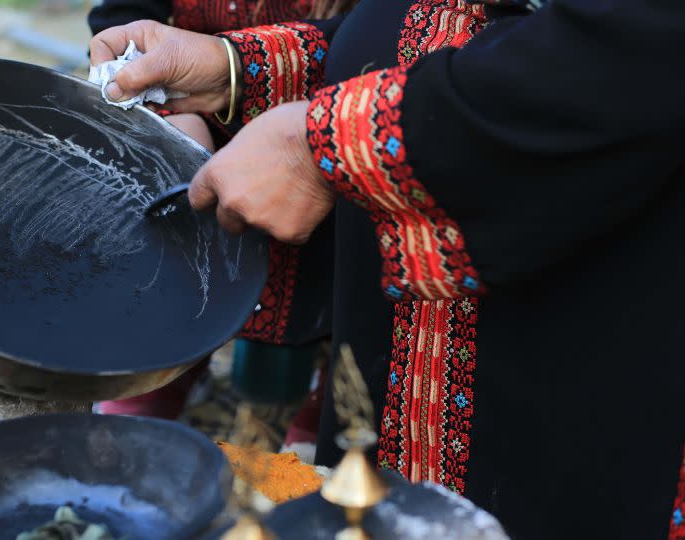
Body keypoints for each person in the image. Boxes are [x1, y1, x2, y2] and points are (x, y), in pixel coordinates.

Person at [88, 0, 685, 537]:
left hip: (590, 337)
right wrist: (237, 65)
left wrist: (325, 143)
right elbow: (455, 24)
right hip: (414, 360)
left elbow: (630, 52)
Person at [88, 0, 353, 448]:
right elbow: (121, 13)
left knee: (331, 279)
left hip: (330, 117)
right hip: (194, 108)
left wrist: (320, 132)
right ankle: (166, 367)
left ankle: (332, 394)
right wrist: (173, 118)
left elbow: (395, 35)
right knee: (178, 250)